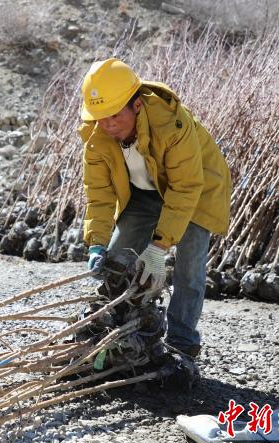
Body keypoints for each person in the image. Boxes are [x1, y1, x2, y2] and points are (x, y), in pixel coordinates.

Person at [79, 58, 231, 359]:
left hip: (197, 191)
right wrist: (96, 242)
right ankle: (115, 332)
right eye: (100, 117)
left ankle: (182, 345)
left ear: (136, 105)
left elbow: (186, 187)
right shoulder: (96, 135)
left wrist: (159, 247)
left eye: (114, 115)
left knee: (189, 269)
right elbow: (99, 193)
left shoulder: (171, 124)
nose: (108, 125)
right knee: (116, 260)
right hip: (144, 193)